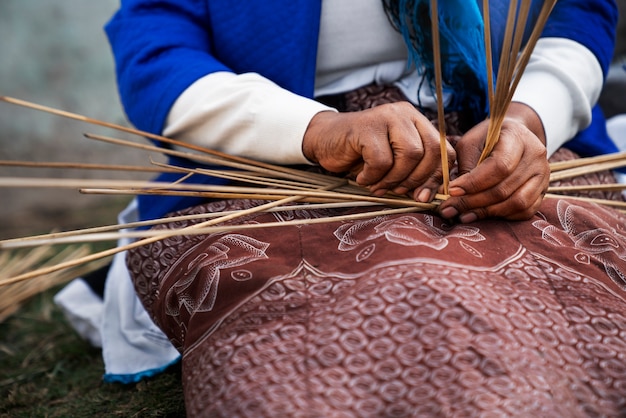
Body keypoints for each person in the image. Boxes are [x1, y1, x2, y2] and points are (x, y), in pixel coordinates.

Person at [58, 0, 626, 415]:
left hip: (494, 120)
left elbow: (577, 11)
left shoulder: (523, 124)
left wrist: (531, 120)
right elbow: (157, 49)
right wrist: (315, 130)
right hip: (277, 155)